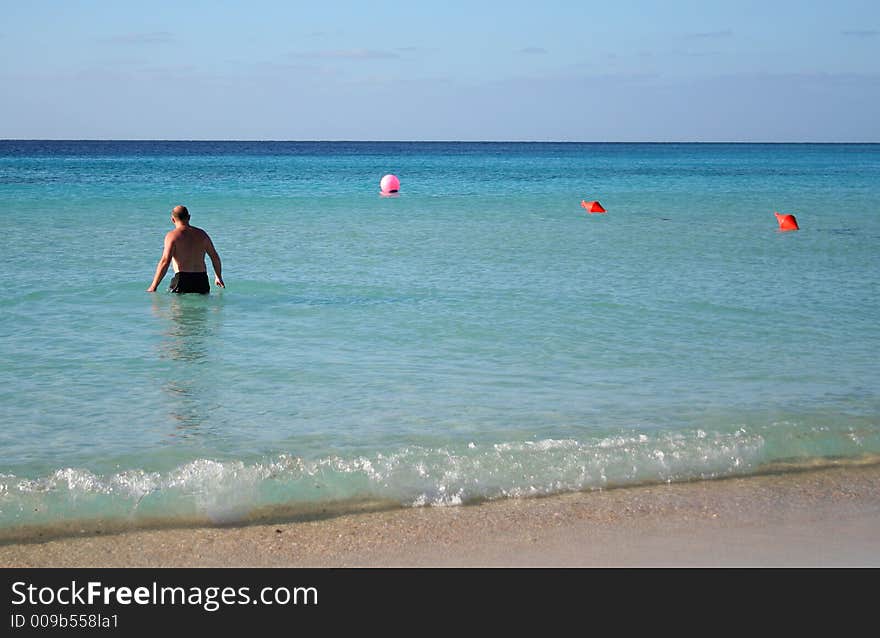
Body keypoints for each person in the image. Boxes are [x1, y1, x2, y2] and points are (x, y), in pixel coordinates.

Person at [147, 205, 225, 293]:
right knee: (201, 306)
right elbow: (214, 257)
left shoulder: (172, 236)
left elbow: (165, 261)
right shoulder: (202, 234)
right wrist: (218, 277)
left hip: (182, 279)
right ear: (189, 217)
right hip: (201, 279)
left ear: (173, 219)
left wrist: (154, 286)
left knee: (179, 306)